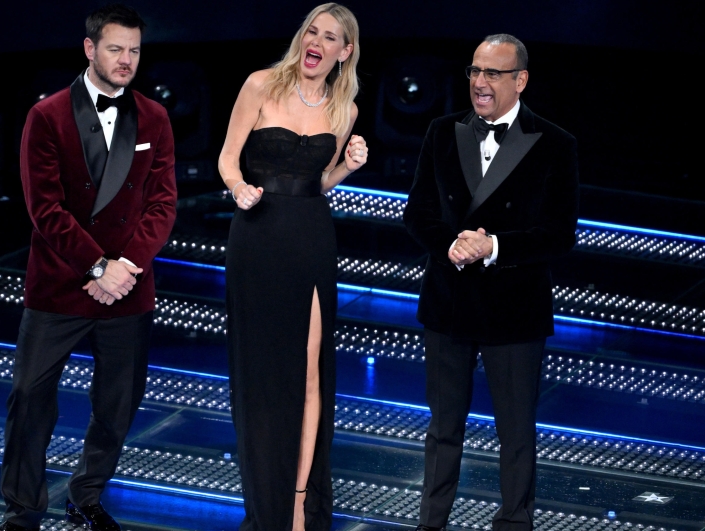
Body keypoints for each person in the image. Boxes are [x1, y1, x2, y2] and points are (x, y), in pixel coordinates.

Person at [0, 5, 176, 531]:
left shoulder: (155, 117)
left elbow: (162, 204)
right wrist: (98, 266)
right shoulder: (47, 115)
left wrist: (126, 268)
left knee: (118, 403)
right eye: (116, 48)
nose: (126, 60)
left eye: (135, 50)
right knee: (29, 397)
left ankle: (87, 494)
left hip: (128, 287)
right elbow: (44, 209)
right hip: (60, 283)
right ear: (89, 49)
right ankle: (24, 507)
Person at [403, 34, 579, 531]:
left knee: (517, 432)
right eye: (475, 72)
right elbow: (416, 213)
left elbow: (559, 235)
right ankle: (430, 523)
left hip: (514, 311)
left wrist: (493, 246)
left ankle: (514, 523)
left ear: (520, 80)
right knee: (443, 429)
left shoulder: (555, 144)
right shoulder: (442, 131)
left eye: (493, 74)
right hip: (447, 303)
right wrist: (452, 245)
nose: (480, 83)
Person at [218, 4, 367, 530]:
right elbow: (227, 157)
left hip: (310, 240)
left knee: (309, 374)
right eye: (313, 31)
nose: (318, 42)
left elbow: (316, 184)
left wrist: (345, 168)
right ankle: (264, 503)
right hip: (257, 237)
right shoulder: (260, 85)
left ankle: (300, 505)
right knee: (263, 379)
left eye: (331, 37)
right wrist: (237, 187)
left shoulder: (344, 109)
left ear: (344, 51)